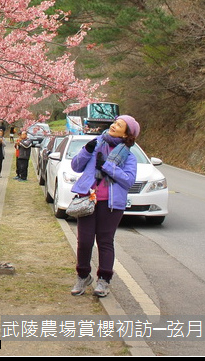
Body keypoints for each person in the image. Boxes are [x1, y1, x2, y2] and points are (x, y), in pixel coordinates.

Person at [69, 115, 139, 297]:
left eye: (120, 125)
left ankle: (104, 280)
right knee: (84, 241)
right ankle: (83, 276)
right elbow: (76, 166)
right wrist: (86, 150)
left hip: (111, 205)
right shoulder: (96, 144)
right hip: (88, 199)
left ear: (127, 134)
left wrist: (107, 166)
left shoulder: (129, 157)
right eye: (115, 122)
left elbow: (128, 181)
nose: (114, 126)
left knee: (105, 242)